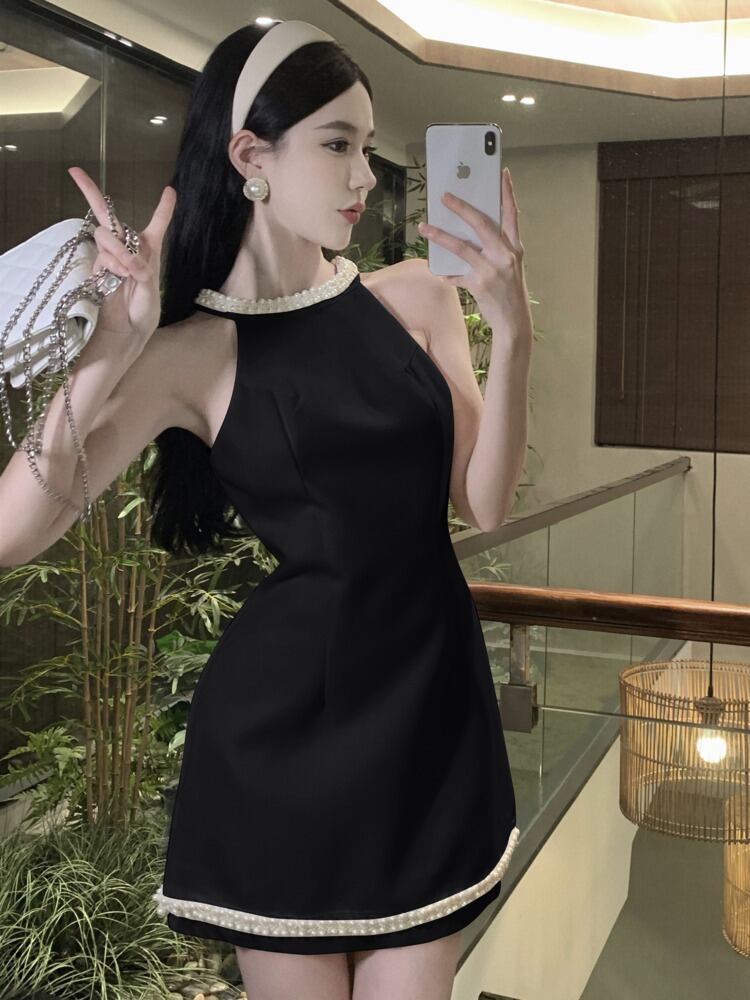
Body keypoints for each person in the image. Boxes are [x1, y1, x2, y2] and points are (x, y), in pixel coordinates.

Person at [0, 18, 533, 1000]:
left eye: (365, 145)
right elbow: (13, 531)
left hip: (430, 713)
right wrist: (112, 347)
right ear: (251, 157)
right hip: (282, 738)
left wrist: (514, 332)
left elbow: (485, 503)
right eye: (337, 144)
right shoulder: (191, 353)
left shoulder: (419, 297)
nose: (365, 175)